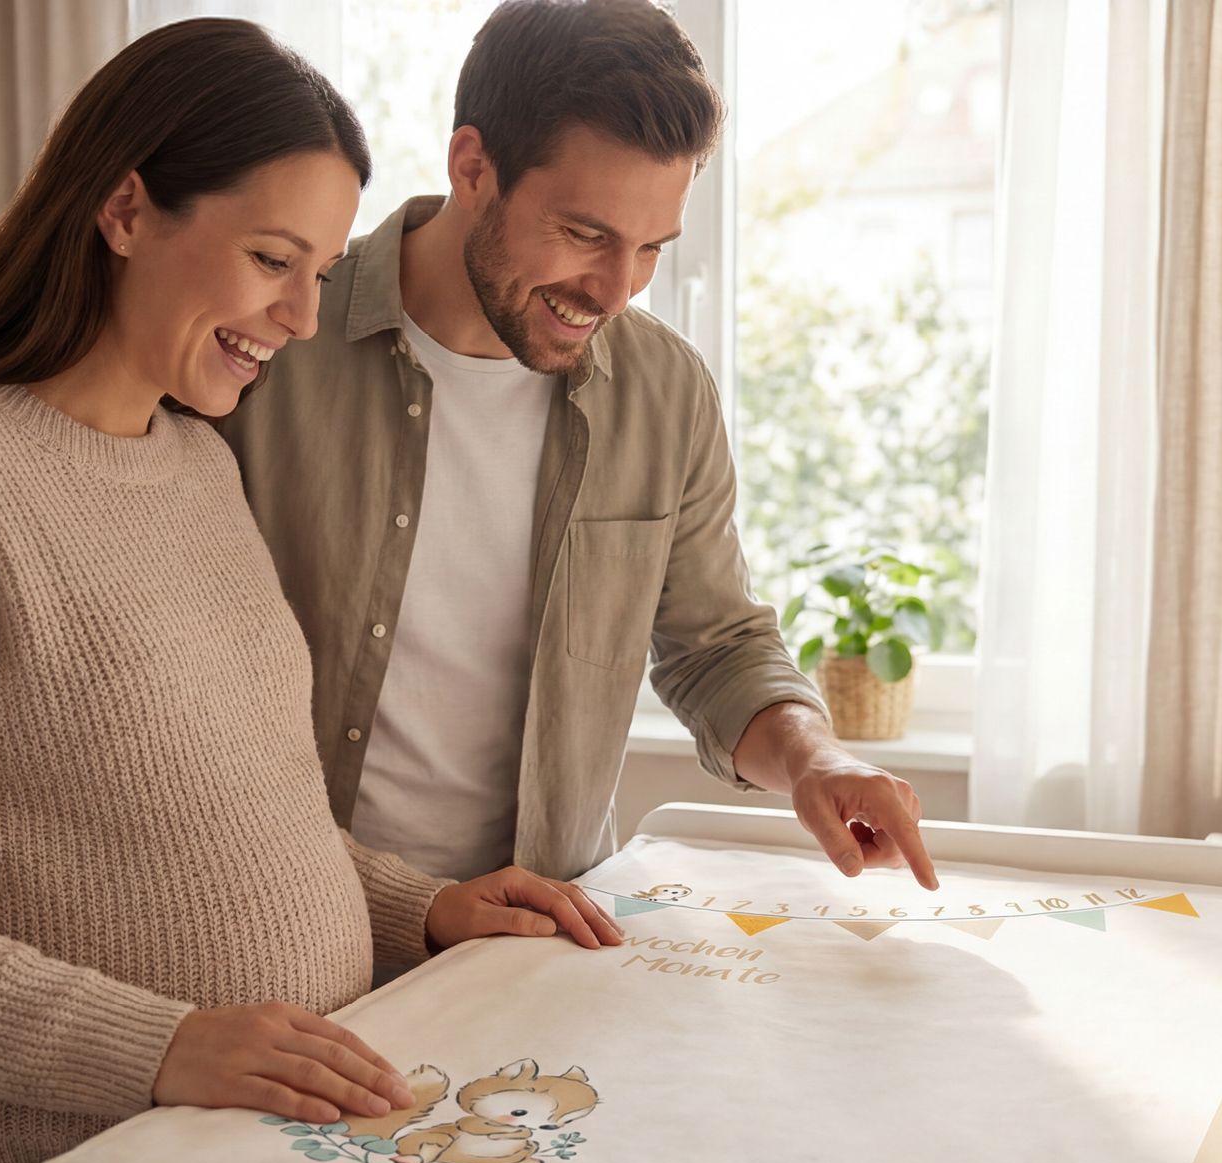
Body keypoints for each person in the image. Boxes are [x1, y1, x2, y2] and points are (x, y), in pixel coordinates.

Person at [0, 19, 622, 1163]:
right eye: (273, 260)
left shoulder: (195, 462)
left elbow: (230, 819)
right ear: (123, 211)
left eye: (319, 272)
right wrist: (157, 1044)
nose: (305, 317)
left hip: (218, 1160)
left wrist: (422, 910)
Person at [223, 0, 939, 889]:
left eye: (650, 248)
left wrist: (812, 757)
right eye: (585, 234)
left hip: (539, 945)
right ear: (472, 167)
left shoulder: (666, 393)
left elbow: (714, 646)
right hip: (292, 930)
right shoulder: (271, 341)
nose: (617, 290)